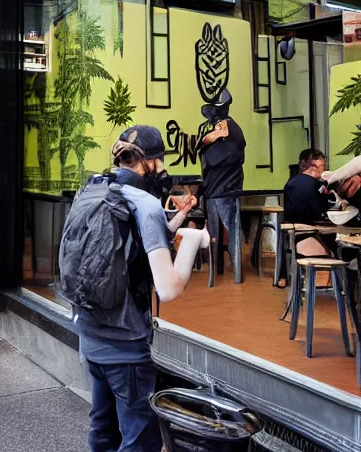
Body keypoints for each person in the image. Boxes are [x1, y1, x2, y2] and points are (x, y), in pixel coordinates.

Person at [71, 125, 210, 452]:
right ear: (148, 163)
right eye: (160, 162)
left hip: (90, 334)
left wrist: (176, 219)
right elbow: (169, 289)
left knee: (103, 429)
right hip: (125, 346)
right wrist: (191, 241)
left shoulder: (93, 190)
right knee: (140, 441)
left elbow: (130, 242)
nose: (163, 171)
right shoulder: (146, 205)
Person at [196, 89, 246, 284]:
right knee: (223, 232)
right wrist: (215, 134)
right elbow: (204, 142)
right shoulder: (220, 132)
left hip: (225, 189)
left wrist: (218, 133)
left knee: (230, 231)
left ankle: (233, 274)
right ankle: (226, 273)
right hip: (218, 189)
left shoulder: (230, 130)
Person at [283, 148, 332, 257]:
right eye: (323, 166)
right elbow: (320, 213)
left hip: (290, 235)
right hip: (310, 236)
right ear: (316, 165)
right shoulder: (318, 186)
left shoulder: (290, 183)